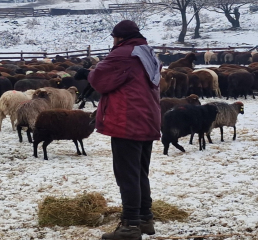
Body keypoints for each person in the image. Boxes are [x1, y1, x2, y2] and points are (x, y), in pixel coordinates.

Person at [88, 20, 161, 240]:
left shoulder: (123, 54)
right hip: (147, 118)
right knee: (139, 172)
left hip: (127, 120)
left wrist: (90, 70)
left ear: (119, 37)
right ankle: (145, 218)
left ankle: (130, 226)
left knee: (127, 174)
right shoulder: (148, 53)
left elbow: (98, 80)